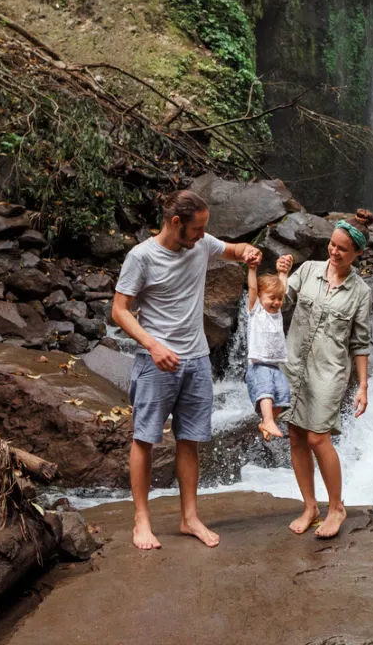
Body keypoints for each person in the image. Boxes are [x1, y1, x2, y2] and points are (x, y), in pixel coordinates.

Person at [112, 189, 261, 551]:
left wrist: (247, 252)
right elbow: (119, 310)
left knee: (189, 441)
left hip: (197, 360)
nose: (201, 236)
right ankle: (142, 521)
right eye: (196, 229)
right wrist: (152, 344)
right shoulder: (141, 257)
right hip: (156, 361)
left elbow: (233, 249)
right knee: (144, 440)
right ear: (175, 222)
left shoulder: (201, 243)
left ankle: (189, 517)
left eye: (204, 230)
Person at [277, 209, 373, 540]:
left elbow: (360, 343)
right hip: (293, 365)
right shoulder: (308, 271)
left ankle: (336, 508)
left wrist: (362, 386)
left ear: (358, 254)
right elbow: (277, 301)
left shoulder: (361, 292)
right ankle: (309, 507)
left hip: (329, 373)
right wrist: (280, 274)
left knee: (318, 437)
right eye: (332, 245)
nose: (334, 252)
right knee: (295, 435)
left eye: (342, 249)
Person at [244, 255, 293, 442]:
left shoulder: (276, 312)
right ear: (260, 297)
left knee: (283, 395)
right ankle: (267, 420)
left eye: (279, 299)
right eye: (271, 298)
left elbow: (282, 288)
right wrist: (252, 269)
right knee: (265, 391)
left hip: (274, 366)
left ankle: (266, 422)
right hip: (258, 365)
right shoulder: (256, 310)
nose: (276, 302)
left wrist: (284, 273)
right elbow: (253, 288)